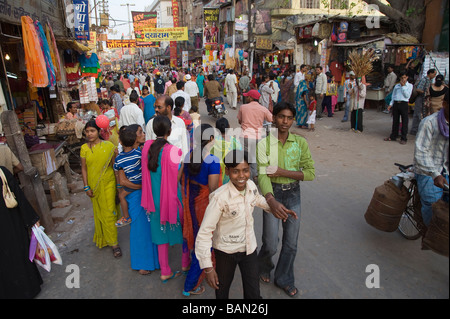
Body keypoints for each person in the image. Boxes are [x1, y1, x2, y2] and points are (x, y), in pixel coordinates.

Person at [195, 150, 297, 299]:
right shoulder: (219, 198)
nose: (242, 176)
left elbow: (257, 199)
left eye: (245, 170)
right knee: (222, 291)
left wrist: (275, 208)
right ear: (227, 171)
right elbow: (204, 233)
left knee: (253, 293)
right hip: (225, 252)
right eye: (236, 171)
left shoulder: (250, 185)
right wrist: (208, 267)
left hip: (249, 249)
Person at [257, 101, 315, 298]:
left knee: (291, 243)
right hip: (271, 194)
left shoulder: (300, 143)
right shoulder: (264, 144)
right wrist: (271, 200)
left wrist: (283, 172)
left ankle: (284, 278)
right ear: (274, 118)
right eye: (282, 116)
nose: (285, 121)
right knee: (271, 242)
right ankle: (263, 265)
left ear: (293, 120)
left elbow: (310, 174)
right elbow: (263, 175)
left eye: (290, 117)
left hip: (293, 195)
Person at [141, 115, 188, 282]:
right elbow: (175, 179)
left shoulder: (146, 148)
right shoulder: (174, 151)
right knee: (183, 229)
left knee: (160, 233)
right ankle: (184, 263)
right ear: (170, 131)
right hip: (171, 198)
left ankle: (165, 270)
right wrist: (182, 167)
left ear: (154, 130)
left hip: (152, 200)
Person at [181, 124, 221, 297]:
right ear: (211, 139)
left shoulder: (189, 155)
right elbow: (213, 189)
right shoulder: (213, 160)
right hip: (203, 204)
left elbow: (181, 179)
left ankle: (194, 268)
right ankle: (190, 285)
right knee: (204, 241)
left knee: (197, 235)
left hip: (191, 200)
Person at [0, 166, 43, 298]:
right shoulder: (2, 172)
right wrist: (32, 219)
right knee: (19, 253)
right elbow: (18, 195)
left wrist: (32, 219)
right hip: (13, 225)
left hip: (11, 225)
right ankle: (28, 288)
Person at [81, 120, 122, 258]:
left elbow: (114, 166)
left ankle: (114, 244)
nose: (89, 134)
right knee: (99, 212)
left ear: (98, 131)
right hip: (93, 184)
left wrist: (118, 184)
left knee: (109, 212)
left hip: (109, 182)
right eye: (87, 131)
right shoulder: (84, 149)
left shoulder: (109, 146)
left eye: (92, 131)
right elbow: (84, 168)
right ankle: (104, 238)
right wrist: (86, 186)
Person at [413, 90, 449, 226]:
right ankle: (429, 232)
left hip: (446, 167)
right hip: (428, 170)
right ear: (445, 104)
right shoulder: (429, 123)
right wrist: (435, 174)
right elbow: (421, 153)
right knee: (433, 203)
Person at [238, 89, 273, 182]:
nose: (246, 97)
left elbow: (239, 120)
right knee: (256, 157)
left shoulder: (243, 107)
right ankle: (256, 175)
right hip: (259, 137)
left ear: (250, 97)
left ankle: (249, 178)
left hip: (245, 137)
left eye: (247, 96)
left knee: (247, 157)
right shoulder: (263, 109)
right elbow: (271, 119)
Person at [113, 125, 144, 227]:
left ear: (120, 142)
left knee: (121, 195)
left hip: (131, 184)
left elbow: (115, 168)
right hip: (141, 180)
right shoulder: (138, 153)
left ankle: (126, 217)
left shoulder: (119, 159)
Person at [145, 95, 189, 162]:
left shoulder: (180, 122)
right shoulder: (151, 124)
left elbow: (184, 145)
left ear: (168, 107)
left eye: (159, 107)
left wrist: (184, 165)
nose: (156, 109)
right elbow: (147, 147)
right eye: (155, 107)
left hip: (177, 166)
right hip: (158, 167)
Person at [211, 117, 242, 184]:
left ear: (216, 129)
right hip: (230, 173)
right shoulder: (235, 142)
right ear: (229, 126)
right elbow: (240, 157)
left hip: (215, 172)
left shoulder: (212, 142)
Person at [384, 71, 414, 144]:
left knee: (404, 121)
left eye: (404, 77)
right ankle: (393, 135)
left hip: (404, 103)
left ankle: (404, 138)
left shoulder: (409, 86)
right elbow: (394, 96)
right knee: (395, 120)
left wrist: (403, 86)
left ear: (407, 77)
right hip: (396, 103)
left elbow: (407, 96)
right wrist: (391, 104)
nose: (403, 79)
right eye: (401, 78)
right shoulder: (397, 86)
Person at [410, 69, 437, 135]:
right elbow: (418, 89)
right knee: (418, 114)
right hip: (420, 98)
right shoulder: (424, 79)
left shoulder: (429, 80)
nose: (434, 76)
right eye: (434, 74)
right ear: (430, 73)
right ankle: (415, 130)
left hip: (424, 99)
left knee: (422, 114)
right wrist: (425, 92)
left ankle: (418, 129)